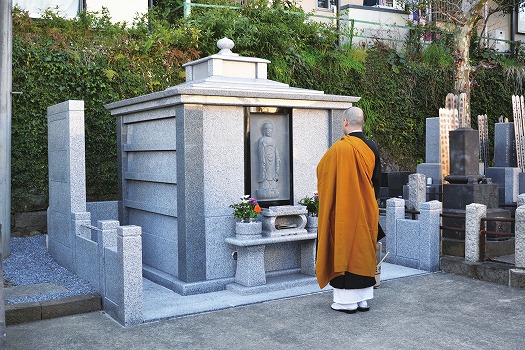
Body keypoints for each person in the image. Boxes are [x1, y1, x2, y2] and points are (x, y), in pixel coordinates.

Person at [316, 106, 383, 314]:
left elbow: (322, 173)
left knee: (345, 249)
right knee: (363, 249)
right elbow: (377, 182)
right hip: (366, 208)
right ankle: (363, 298)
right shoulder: (371, 147)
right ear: (362, 122)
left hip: (344, 211)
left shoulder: (339, 149)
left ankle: (346, 302)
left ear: (345, 122)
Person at [257, 121, 281, 199]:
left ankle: (273, 187)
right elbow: (259, 150)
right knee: (266, 170)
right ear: (264, 131)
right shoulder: (261, 140)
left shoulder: (273, 140)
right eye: (268, 130)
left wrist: (278, 158)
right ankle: (265, 187)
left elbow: (276, 150)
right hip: (265, 158)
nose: (269, 131)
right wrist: (264, 148)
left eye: (271, 130)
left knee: (272, 172)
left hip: (273, 160)